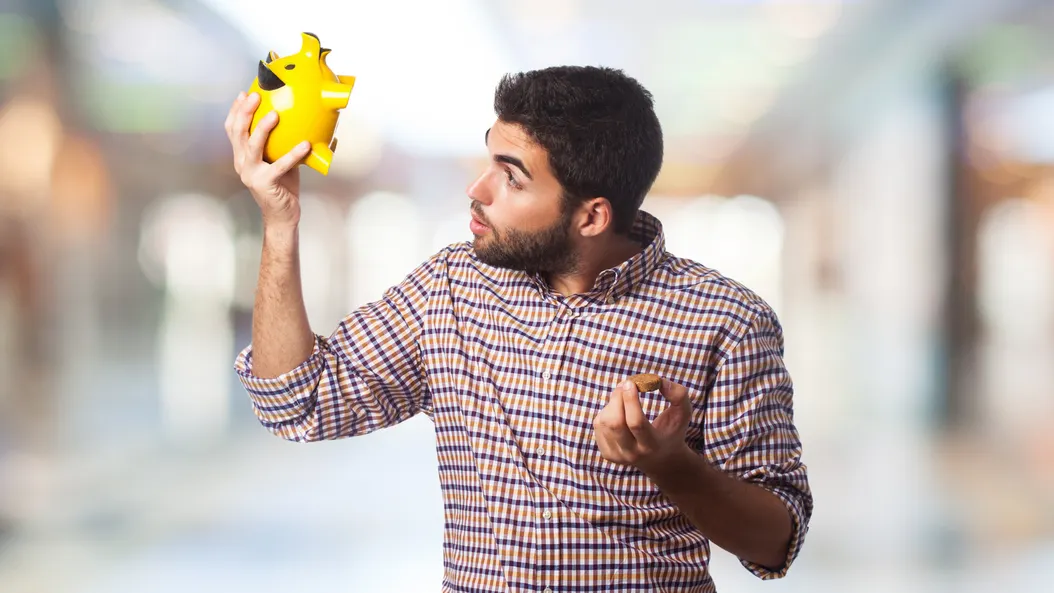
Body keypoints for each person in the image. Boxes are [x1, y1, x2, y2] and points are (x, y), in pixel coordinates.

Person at [225, 65, 812, 592]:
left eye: (511, 177)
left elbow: (774, 543)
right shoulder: (451, 288)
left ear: (591, 216)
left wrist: (670, 463)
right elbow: (296, 402)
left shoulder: (727, 321)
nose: (477, 191)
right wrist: (281, 223)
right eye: (489, 161)